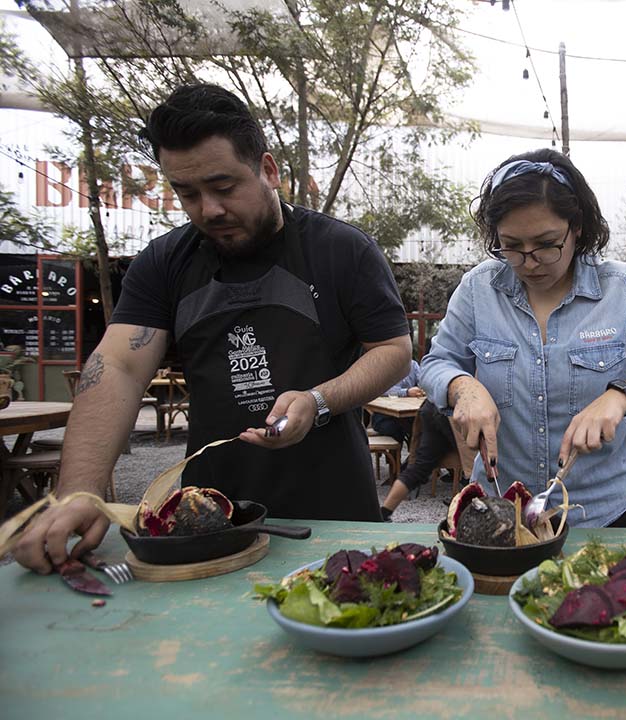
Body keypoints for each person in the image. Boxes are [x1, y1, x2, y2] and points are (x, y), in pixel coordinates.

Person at [14, 84, 412, 574]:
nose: (209, 210)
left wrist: (318, 399)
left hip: (333, 510)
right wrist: (78, 492)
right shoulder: (163, 263)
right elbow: (117, 365)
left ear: (268, 171)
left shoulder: (341, 250)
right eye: (188, 193)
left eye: (224, 188)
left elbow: (393, 349)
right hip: (205, 515)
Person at [419, 149, 626, 528]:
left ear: (577, 229)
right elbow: (437, 363)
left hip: (601, 512)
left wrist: (621, 396)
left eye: (546, 243)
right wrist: (462, 386)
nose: (529, 261)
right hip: (501, 508)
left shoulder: (624, 290)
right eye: (512, 246)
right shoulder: (478, 290)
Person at [379, 399, 473, 521]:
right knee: (476, 465)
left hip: (432, 404)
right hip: (457, 409)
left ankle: (383, 513)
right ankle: (474, 516)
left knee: (419, 468)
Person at [371, 358, 423, 445]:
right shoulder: (384, 366)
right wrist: (407, 392)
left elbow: (423, 381)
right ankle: (396, 457)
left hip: (406, 414)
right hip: (384, 416)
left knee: (420, 427)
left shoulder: (413, 365)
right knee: (398, 430)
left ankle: (413, 455)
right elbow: (383, 389)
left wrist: (423, 387)